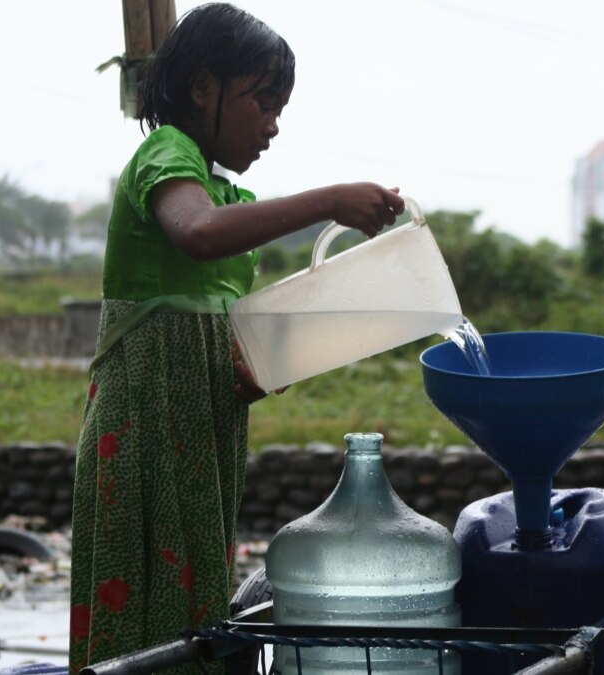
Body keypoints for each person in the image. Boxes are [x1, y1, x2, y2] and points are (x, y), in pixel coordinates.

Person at [67, 4, 405, 672]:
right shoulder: (164, 154)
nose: (274, 125)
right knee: (139, 606)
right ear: (203, 89)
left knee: (191, 601)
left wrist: (254, 361)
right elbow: (196, 235)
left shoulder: (235, 202)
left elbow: (220, 328)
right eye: (264, 102)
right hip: (144, 436)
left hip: (200, 442)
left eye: (282, 107)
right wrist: (328, 200)